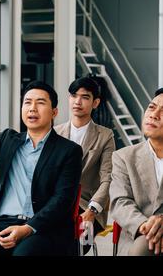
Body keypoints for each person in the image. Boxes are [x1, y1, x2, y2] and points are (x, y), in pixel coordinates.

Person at [0, 58, 83, 256]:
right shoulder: (8, 141)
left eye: (40, 103)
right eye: (27, 102)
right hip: (2, 223)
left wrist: (27, 228)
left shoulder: (68, 150)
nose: (32, 108)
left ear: (54, 112)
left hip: (41, 228)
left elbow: (62, 201)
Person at [54, 76, 115, 254]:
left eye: (85, 97)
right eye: (74, 95)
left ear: (95, 103)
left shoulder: (105, 136)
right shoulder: (55, 133)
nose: (77, 101)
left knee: (77, 245)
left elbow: (108, 179)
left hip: (88, 206)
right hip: (57, 203)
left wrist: (92, 210)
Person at [109, 88, 163, 256]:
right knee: (142, 248)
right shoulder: (124, 157)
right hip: (139, 233)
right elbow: (119, 202)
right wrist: (147, 227)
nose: (154, 114)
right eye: (152, 107)